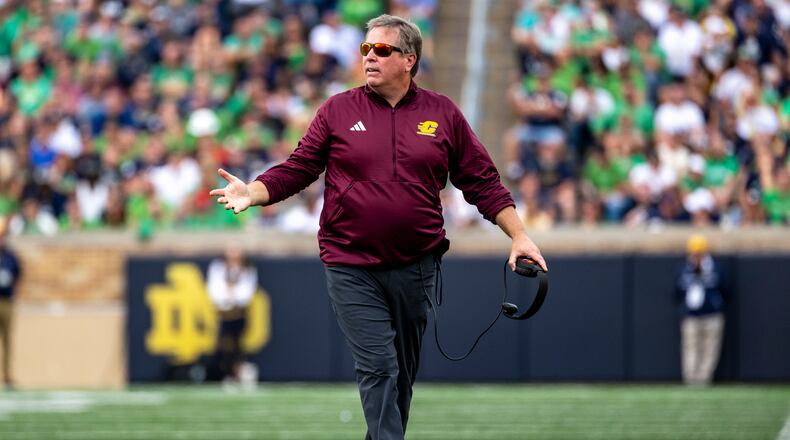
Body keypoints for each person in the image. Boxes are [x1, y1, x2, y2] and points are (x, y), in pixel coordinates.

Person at [210, 14, 546, 440]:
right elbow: (299, 168)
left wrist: (518, 234)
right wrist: (254, 191)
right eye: (366, 49)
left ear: (409, 59)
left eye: (381, 50)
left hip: (417, 266)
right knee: (378, 367)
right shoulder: (337, 109)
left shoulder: (442, 113)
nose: (369, 57)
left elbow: (482, 181)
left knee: (400, 379)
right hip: (351, 265)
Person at [675, 234, 724, 386]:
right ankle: (691, 379)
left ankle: (704, 379)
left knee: (710, 348)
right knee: (690, 347)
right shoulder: (684, 269)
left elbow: (726, 290)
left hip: (712, 314)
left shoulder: (715, 268)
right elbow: (676, 291)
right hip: (691, 315)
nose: (696, 256)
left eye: (699, 252)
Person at [206, 247, 258, 387]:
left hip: (239, 313)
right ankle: (223, 374)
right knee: (221, 345)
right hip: (222, 314)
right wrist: (225, 299)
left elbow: (247, 292)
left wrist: (233, 297)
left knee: (238, 345)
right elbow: (214, 289)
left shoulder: (247, 269)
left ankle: (238, 374)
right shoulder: (218, 268)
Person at [0, 217, 21, 388]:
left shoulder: (10, 256)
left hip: (6, 300)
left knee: (7, 340)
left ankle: (7, 376)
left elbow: (19, 275)